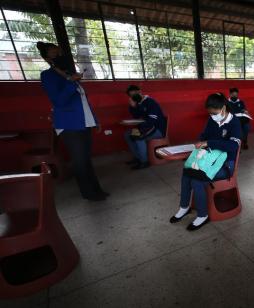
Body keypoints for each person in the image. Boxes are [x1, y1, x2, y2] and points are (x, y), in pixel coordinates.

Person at [37, 41, 108, 202]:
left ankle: (96, 189)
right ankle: (89, 193)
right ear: (48, 59)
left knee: (86, 159)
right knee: (80, 161)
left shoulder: (69, 74)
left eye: (60, 53)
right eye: (55, 54)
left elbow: (84, 102)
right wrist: (71, 81)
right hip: (69, 125)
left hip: (84, 123)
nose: (59, 56)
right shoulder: (48, 76)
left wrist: (95, 120)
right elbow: (58, 101)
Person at [169, 93, 242, 231]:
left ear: (223, 108)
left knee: (197, 180)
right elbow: (204, 135)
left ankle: (202, 215)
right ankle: (184, 207)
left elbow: (233, 146)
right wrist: (201, 140)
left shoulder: (235, 122)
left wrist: (209, 142)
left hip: (226, 163)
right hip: (208, 158)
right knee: (187, 174)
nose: (212, 116)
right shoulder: (211, 120)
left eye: (214, 113)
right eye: (210, 113)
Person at [123, 85, 167, 169]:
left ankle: (144, 161)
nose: (134, 96)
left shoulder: (150, 102)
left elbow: (151, 120)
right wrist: (133, 107)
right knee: (127, 134)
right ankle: (138, 157)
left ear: (140, 91)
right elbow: (136, 116)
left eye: (135, 93)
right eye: (132, 95)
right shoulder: (138, 103)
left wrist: (140, 128)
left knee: (137, 136)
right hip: (146, 128)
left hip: (157, 129)